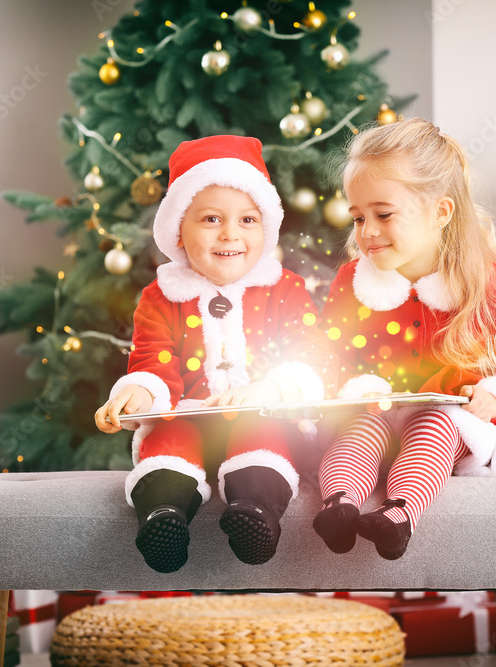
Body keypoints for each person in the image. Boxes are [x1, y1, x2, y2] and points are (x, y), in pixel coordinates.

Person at [96, 135, 331, 572]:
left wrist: (273, 386)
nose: (230, 234)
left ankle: (255, 513)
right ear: (179, 230)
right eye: (210, 219)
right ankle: (163, 516)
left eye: (247, 220)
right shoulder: (161, 296)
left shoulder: (285, 289)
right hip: (188, 416)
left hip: (261, 416)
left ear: (266, 227)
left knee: (263, 442)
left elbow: (311, 352)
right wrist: (138, 394)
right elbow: (152, 361)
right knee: (167, 444)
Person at [312, 118, 496, 560]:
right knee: (358, 430)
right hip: (375, 417)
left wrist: (495, 397)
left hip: (449, 424)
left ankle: (399, 515)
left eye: (383, 214)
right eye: (358, 217)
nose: (367, 231)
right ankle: (339, 505)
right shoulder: (353, 281)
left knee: (434, 425)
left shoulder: (485, 285)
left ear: (441, 212)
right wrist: (350, 386)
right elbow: (326, 354)